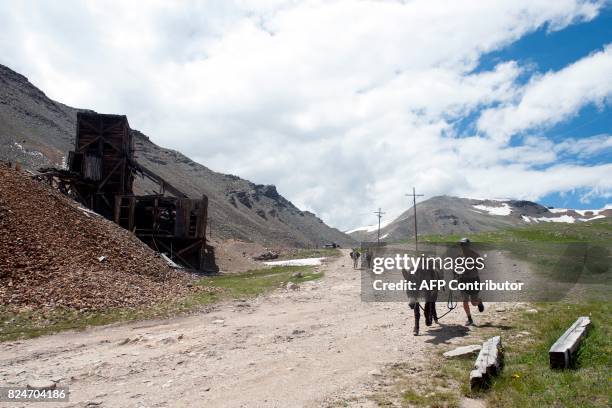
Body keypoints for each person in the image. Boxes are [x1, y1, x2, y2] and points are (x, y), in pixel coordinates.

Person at [457, 237, 485, 326]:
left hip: (473, 280)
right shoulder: (459, 256)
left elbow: (482, 265)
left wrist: (474, 264)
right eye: (462, 245)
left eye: (464, 245)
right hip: (463, 281)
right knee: (465, 300)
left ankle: (479, 301)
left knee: (473, 302)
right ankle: (469, 319)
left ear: (468, 246)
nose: (463, 247)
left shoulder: (475, 255)